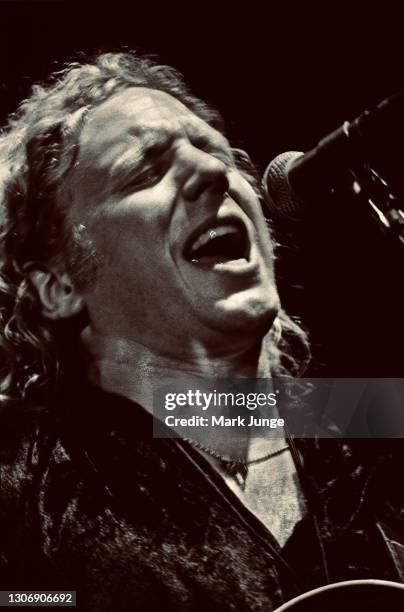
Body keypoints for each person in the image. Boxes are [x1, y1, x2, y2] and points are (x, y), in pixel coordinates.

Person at [0, 51, 403, 611]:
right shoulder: (25, 476)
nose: (216, 173)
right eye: (146, 169)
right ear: (59, 283)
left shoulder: (375, 425)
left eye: (216, 152)